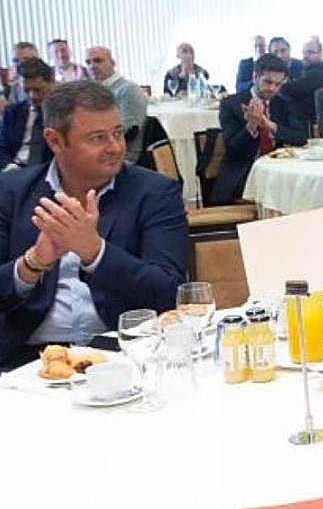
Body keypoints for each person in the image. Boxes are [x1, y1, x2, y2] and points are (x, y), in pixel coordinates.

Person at [0, 81, 188, 368]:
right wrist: (32, 264)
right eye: (98, 138)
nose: (115, 147)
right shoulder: (11, 193)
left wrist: (95, 253)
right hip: (30, 358)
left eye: (117, 133)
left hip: (124, 353)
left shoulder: (154, 193)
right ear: (55, 141)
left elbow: (170, 292)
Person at [212, 54, 305, 204]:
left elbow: (300, 137)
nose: (272, 88)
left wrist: (269, 124)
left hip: (280, 173)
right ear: (255, 76)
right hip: (244, 174)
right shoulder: (231, 104)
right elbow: (233, 150)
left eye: (278, 84)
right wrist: (252, 126)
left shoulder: (283, 103)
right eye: (267, 82)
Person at [83, 46, 147, 164]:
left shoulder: (128, 90)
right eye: (88, 62)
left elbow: (128, 131)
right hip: (101, 151)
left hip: (124, 156)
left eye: (98, 61)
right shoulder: (92, 91)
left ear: (112, 63)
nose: (92, 66)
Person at [0, 59, 55, 172]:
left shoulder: (66, 111)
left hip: (47, 170)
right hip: (14, 168)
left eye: (38, 90)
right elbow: (2, 146)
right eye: (27, 90)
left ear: (51, 82)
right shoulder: (13, 111)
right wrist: (9, 165)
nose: (32, 96)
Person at [278, 36, 323, 129]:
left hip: (308, 126)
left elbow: (289, 89)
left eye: (310, 52)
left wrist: (281, 82)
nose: (305, 56)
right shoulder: (305, 69)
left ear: (321, 54)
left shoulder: (318, 73)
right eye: (304, 52)